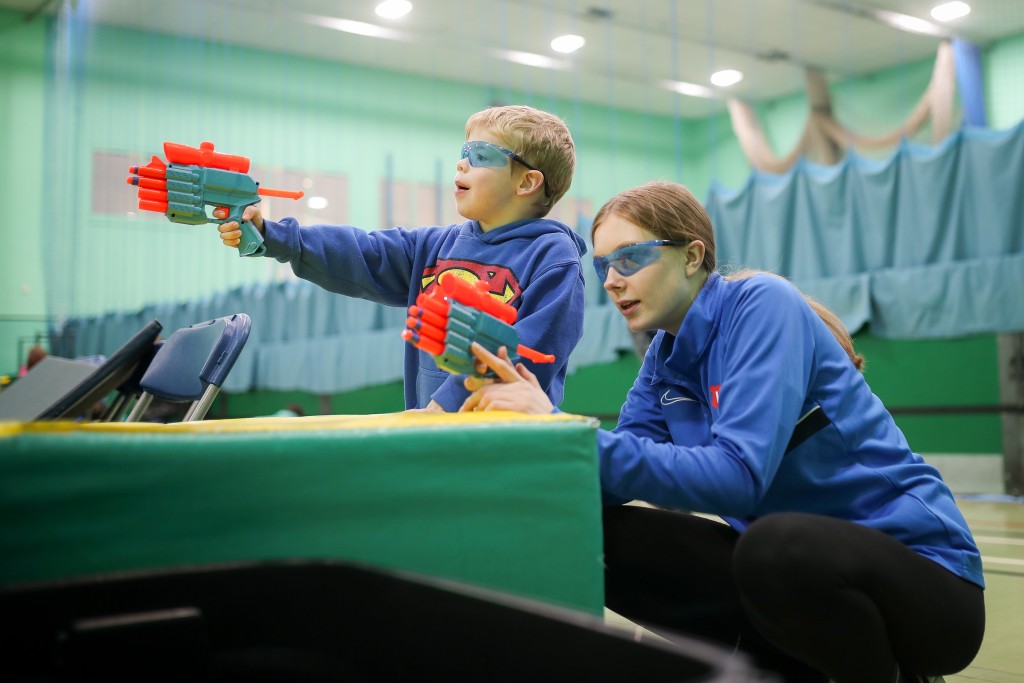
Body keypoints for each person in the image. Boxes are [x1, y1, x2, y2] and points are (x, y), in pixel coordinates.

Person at [457, 181, 985, 683]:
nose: (612, 279)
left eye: (630, 257)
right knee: (592, 532)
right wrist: (534, 434)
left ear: (692, 256)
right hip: (791, 579)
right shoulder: (663, 358)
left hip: (929, 589)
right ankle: (780, 668)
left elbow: (738, 478)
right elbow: (610, 476)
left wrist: (560, 428)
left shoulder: (762, 303)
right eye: (602, 266)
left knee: (772, 546)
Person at [218, 105, 586, 412]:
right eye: (463, 153)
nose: (462, 164)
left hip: (505, 447)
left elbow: (530, 352)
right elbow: (362, 252)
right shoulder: (434, 246)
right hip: (434, 434)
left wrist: (447, 404)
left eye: (480, 156)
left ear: (526, 183)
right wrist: (271, 234)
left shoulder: (553, 257)